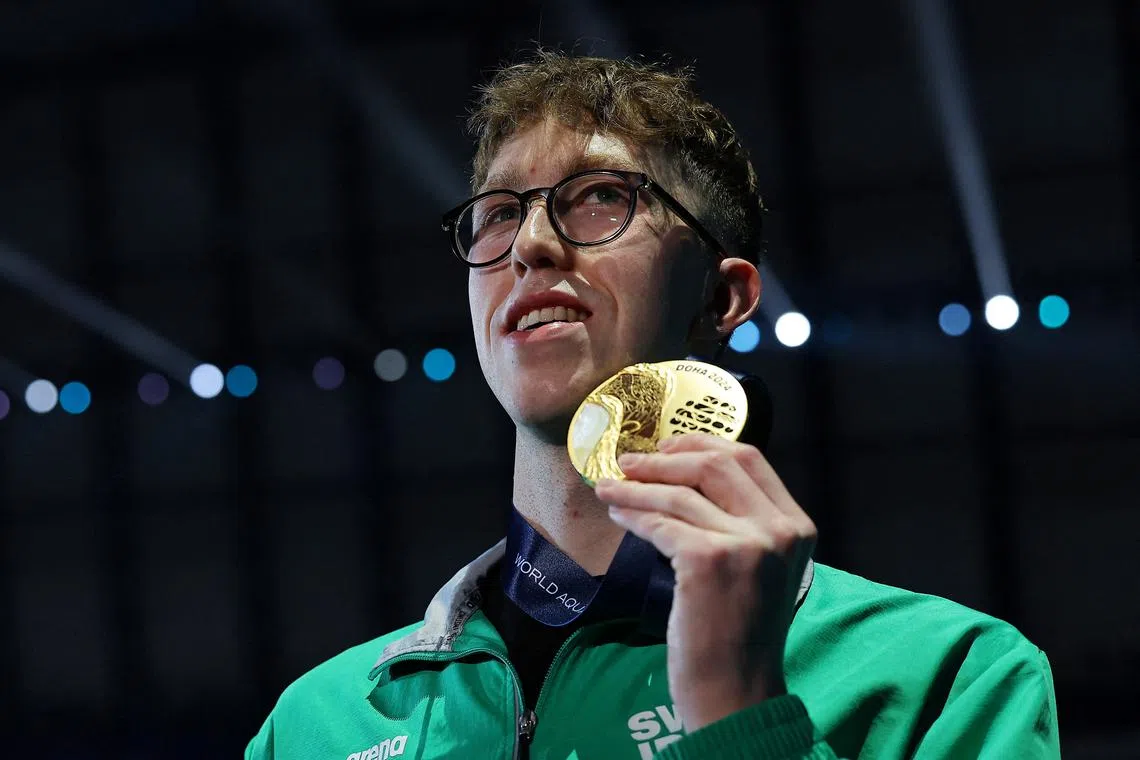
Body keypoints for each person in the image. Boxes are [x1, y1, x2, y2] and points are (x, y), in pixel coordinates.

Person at [246, 52, 1060, 759]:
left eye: (599, 197)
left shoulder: (948, 676)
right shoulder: (318, 724)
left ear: (724, 294)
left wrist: (742, 712)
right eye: (498, 213)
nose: (529, 244)